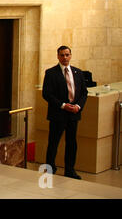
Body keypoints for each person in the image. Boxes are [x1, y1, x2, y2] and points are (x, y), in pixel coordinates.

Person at [42, 45, 88, 180]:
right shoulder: (51, 73)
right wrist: (63, 105)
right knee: (53, 143)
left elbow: (84, 93)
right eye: (62, 55)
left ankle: (70, 170)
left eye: (67, 55)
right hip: (58, 114)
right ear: (58, 56)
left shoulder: (78, 72)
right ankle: (50, 168)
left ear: (71, 55)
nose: (65, 58)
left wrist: (78, 106)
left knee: (71, 143)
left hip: (73, 114)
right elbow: (47, 94)